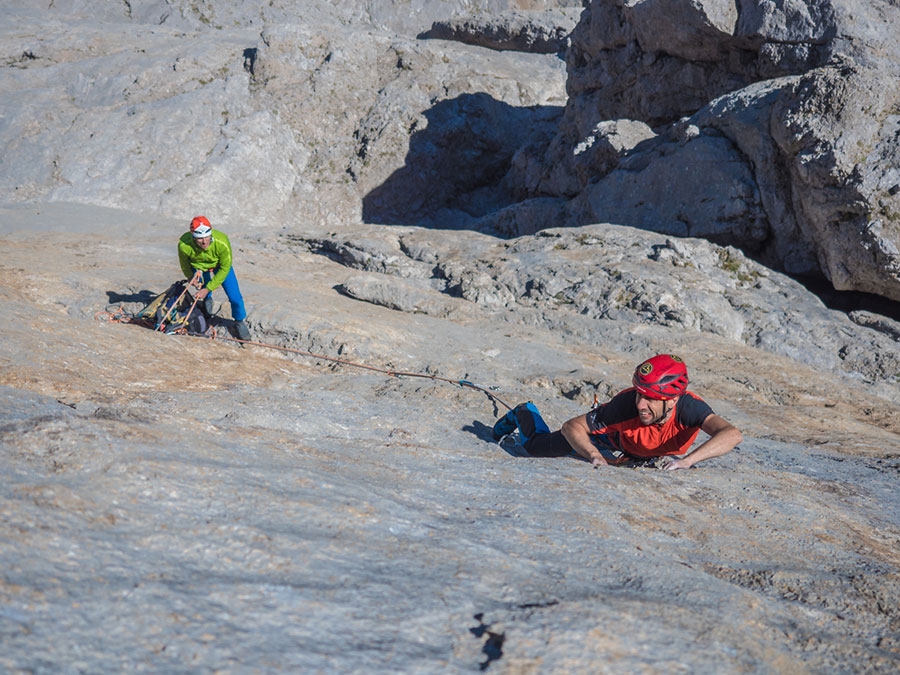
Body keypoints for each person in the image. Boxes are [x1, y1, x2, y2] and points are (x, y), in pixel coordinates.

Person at [492, 354, 742, 470]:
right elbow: (572, 427)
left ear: (673, 399)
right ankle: (524, 412)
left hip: (639, 452)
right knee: (536, 447)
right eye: (639, 394)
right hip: (609, 439)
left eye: (652, 399)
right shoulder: (624, 406)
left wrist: (687, 461)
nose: (641, 404)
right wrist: (593, 454)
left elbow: (731, 435)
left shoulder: (689, 408)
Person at [178, 215, 251, 341]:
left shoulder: (222, 242)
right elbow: (184, 263)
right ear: (193, 237)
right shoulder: (184, 244)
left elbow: (225, 268)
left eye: (207, 236)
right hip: (200, 268)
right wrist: (190, 277)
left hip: (219, 266)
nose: (204, 241)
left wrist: (208, 288)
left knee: (235, 298)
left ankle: (239, 321)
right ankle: (207, 308)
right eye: (200, 238)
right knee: (204, 294)